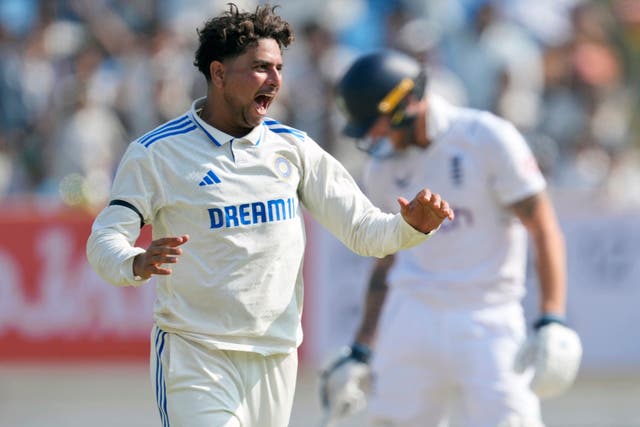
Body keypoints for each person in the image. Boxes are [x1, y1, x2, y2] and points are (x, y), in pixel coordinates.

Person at [85, 5, 454, 427]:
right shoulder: (157, 153)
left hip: (276, 358)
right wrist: (134, 261)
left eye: (279, 68)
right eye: (261, 68)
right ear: (219, 73)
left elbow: (363, 231)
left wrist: (411, 228)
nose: (276, 80)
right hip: (196, 356)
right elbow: (104, 240)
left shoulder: (293, 148)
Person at [321, 50, 582, 427]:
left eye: (375, 124)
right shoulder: (382, 167)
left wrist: (552, 317)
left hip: (489, 316)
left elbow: (543, 228)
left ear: (405, 105)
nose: (373, 137)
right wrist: (362, 348)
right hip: (412, 313)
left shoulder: (487, 138)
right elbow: (387, 258)